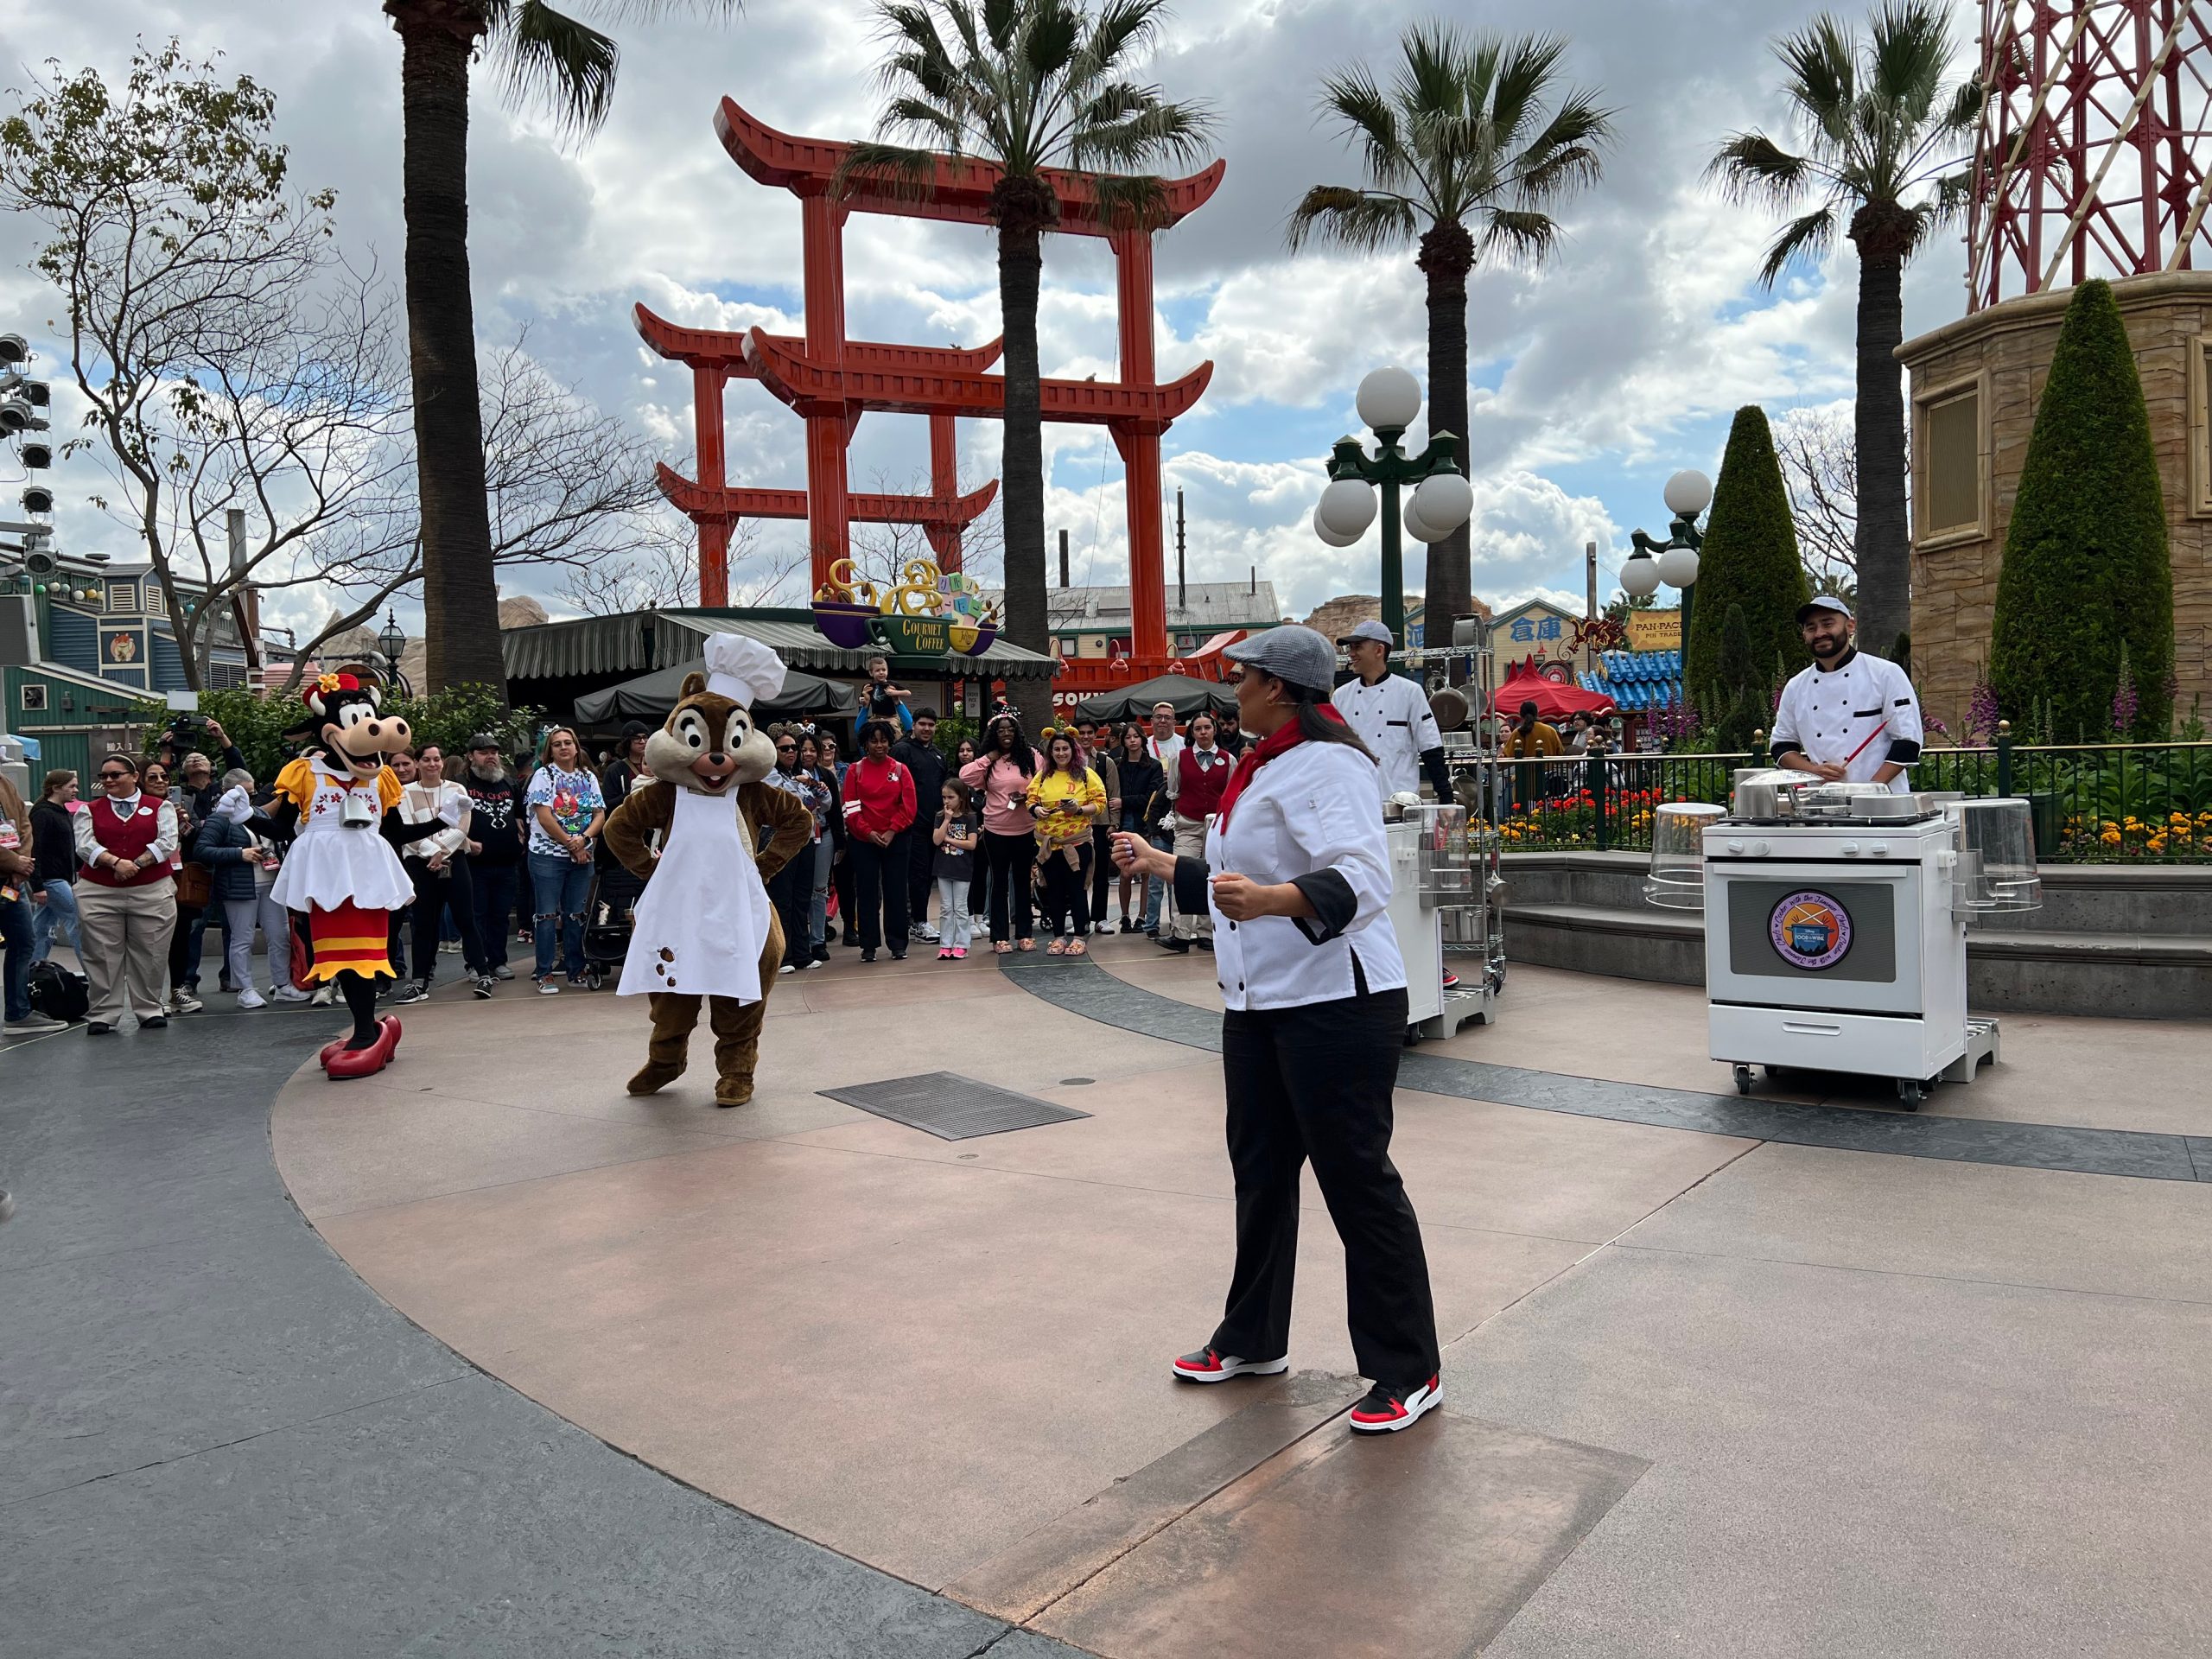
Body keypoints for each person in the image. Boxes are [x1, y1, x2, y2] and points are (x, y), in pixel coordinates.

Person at [1112, 625, 1442, 1434]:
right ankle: (1253, 1338)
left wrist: (1271, 900)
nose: (1233, 694)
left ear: (1281, 688)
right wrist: (1164, 867)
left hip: (1337, 1002)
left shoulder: (1329, 762)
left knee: (1355, 1180)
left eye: (1242, 679)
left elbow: (1362, 877)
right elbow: (1242, 878)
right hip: (1259, 1002)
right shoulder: (1266, 764)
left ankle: (1409, 1367)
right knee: (1261, 1173)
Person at [73, 752, 181, 1033]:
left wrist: (136, 864)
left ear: (134, 777)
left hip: (152, 888)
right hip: (99, 890)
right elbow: (84, 845)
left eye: (115, 775)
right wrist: (115, 862)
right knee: (101, 953)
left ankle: (149, 1008)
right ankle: (103, 1013)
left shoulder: (160, 807)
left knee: (152, 951)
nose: (108, 780)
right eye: (103, 776)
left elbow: (168, 842)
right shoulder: (90, 809)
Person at [1770, 595, 1924, 793]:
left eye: (1828, 624)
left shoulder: (1886, 673)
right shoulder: (1795, 687)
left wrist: (1870, 790)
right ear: (1804, 636)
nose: (1819, 633)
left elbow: (1908, 742)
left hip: (1883, 803)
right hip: (1821, 802)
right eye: (1811, 628)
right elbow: (1781, 746)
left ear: (1851, 626)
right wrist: (1814, 771)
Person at [393, 743, 492, 1003]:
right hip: (420, 864)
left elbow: (463, 825)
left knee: (465, 918)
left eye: (436, 759)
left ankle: (483, 974)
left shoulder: (456, 789)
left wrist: (442, 851)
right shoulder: (403, 793)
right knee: (424, 924)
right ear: (417, 763)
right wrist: (431, 851)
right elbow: (405, 831)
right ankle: (419, 981)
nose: (432, 764)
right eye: (426, 760)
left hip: (453, 861)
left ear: (442, 762)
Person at [1332, 620, 1453, 806]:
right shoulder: (1341, 696)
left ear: (1379, 650)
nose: (1351, 654)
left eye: (1357, 647)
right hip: (1353, 800)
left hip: (1399, 800)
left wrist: (1446, 798)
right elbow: (1330, 750)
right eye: (1350, 648)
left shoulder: (1410, 691)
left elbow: (1430, 747)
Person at [525, 726, 606, 993]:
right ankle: (544, 972)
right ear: (550, 750)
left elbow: (599, 814)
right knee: (547, 915)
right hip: (547, 855)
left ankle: (576, 968)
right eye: (557, 743)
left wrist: (582, 840)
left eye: (568, 742)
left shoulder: (589, 777)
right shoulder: (543, 775)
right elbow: (544, 816)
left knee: (575, 914)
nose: (563, 747)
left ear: (576, 747)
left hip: (582, 851)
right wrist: (572, 844)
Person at [960, 714, 1041, 954]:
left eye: (1010, 730)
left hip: (1025, 829)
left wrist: (1029, 797)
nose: (1006, 734)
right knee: (999, 884)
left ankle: (1024, 935)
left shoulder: (1031, 756)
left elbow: (1044, 781)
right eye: (1001, 731)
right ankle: (999, 937)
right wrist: (989, 757)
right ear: (994, 736)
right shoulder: (989, 762)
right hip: (996, 830)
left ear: (1017, 733)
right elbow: (965, 776)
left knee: (1022, 882)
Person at [194, 771, 275, 1009]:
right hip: (239, 886)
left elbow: (274, 839)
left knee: (279, 935)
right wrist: (239, 854)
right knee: (242, 938)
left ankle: (283, 984)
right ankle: (244, 988)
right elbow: (203, 850)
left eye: (252, 793)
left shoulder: (258, 813)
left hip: (270, 881)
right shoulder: (220, 818)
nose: (249, 798)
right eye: (243, 793)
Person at [841, 719, 918, 963]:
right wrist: (868, 833)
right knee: (866, 892)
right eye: (873, 741)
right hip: (864, 841)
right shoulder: (855, 770)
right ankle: (869, 945)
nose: (879, 745)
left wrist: (892, 831)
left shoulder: (900, 770)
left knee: (896, 891)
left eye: (883, 740)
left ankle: (897, 944)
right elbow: (850, 808)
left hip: (896, 839)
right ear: (865, 743)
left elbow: (909, 807)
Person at [1027, 731, 1105, 955]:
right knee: (1054, 891)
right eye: (1057, 749)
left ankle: (1079, 936)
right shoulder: (1042, 776)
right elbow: (1031, 799)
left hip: (1077, 843)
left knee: (1077, 889)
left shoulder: (1086, 775)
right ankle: (1058, 936)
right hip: (1049, 845)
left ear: (1074, 750)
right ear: (1050, 752)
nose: (1061, 753)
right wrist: (1036, 809)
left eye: (1065, 748)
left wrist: (1079, 809)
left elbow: (1100, 803)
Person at [1160, 711, 1233, 953]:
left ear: (1215, 730)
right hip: (1188, 824)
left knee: (1211, 877)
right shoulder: (1179, 758)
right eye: (1198, 729)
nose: (1203, 732)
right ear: (1192, 733)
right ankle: (1179, 934)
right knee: (1181, 875)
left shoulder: (1228, 759)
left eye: (1207, 728)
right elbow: (1173, 790)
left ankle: (1207, 934)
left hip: (1216, 827)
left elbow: (1232, 795)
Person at [0, 768, 60, 1033]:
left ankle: (18, 1013)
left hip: (12, 882)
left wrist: (20, 866)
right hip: (11, 871)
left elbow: (24, 826)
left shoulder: (5, 783)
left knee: (24, 943)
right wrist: (15, 862)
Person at [461, 734, 524, 981]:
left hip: (507, 862)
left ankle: (498, 961)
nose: (490, 757)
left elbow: (519, 817)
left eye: (494, 752)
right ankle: (476, 964)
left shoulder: (508, 783)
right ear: (471, 756)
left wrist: (521, 838)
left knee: (500, 916)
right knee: (476, 916)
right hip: (474, 864)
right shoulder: (461, 784)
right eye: (483, 752)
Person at [892, 709, 949, 942]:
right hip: (909, 826)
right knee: (914, 876)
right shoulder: (901, 751)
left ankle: (919, 920)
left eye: (931, 725)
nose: (927, 729)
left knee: (926, 877)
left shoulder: (938, 754)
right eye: (922, 724)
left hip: (934, 826)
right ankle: (918, 922)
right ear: (913, 725)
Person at [765, 731, 817, 975]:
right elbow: (790, 800)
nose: (791, 752)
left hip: (806, 840)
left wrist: (816, 788)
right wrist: (803, 786)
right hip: (780, 842)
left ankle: (803, 954)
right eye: (784, 748)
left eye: (793, 747)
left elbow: (821, 801)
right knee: (782, 899)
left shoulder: (803, 774)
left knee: (802, 898)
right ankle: (783, 956)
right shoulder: (767, 774)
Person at [1113, 721, 1169, 936]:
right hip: (1124, 822)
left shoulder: (1153, 766)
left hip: (1145, 822)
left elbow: (1151, 797)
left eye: (1136, 736)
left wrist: (1124, 801)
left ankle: (1142, 916)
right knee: (1125, 871)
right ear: (1124, 741)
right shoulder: (1118, 765)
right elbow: (1111, 795)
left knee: (1146, 871)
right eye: (1128, 737)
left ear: (1143, 739)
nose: (1132, 741)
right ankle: (1125, 916)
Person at [29, 769, 82, 965]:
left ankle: (33, 970)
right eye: (72, 786)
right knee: (77, 921)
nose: (76, 790)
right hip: (52, 880)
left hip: (58, 879)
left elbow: (68, 848)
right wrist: (38, 886)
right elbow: (35, 850)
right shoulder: (43, 814)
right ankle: (95, 974)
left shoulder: (61, 812)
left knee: (42, 928)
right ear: (56, 788)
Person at [1076, 717, 1121, 934]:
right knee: (1078, 874)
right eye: (1081, 732)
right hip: (1074, 827)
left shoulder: (1105, 762)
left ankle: (1101, 918)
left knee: (1101, 873)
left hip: (1100, 824)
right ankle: (1081, 918)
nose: (1085, 737)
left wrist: (1114, 823)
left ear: (1096, 735)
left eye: (1089, 733)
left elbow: (1113, 794)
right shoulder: (1066, 762)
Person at [796, 734, 834, 968]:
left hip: (825, 834)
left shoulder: (824, 775)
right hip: (798, 837)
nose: (808, 754)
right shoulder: (788, 774)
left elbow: (831, 804)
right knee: (799, 891)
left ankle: (817, 940)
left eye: (812, 750)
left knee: (819, 889)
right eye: (803, 749)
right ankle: (797, 942)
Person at [931, 778, 979, 960]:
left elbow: (972, 843)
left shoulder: (970, 817)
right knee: (945, 908)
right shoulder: (939, 816)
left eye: (950, 797)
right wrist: (946, 820)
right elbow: (936, 840)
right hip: (943, 868)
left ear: (961, 797)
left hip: (962, 869)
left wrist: (949, 840)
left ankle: (961, 944)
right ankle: (946, 944)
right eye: (944, 797)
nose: (946, 801)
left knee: (960, 907)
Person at [855, 655, 914, 742]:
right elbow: (861, 699)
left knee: (895, 731)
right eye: (877, 670)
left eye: (884, 670)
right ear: (871, 673)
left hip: (891, 717)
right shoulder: (869, 687)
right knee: (865, 731)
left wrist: (895, 693)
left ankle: (896, 746)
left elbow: (908, 693)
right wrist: (864, 702)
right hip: (876, 717)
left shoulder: (892, 684)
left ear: (887, 671)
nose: (881, 673)